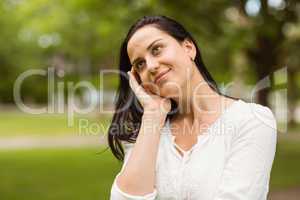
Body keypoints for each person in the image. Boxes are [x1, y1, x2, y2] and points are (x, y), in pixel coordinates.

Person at [108, 15, 277, 200]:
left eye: (156, 50)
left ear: (188, 48)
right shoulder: (146, 133)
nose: (151, 66)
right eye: (140, 64)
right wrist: (153, 115)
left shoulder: (252, 120)